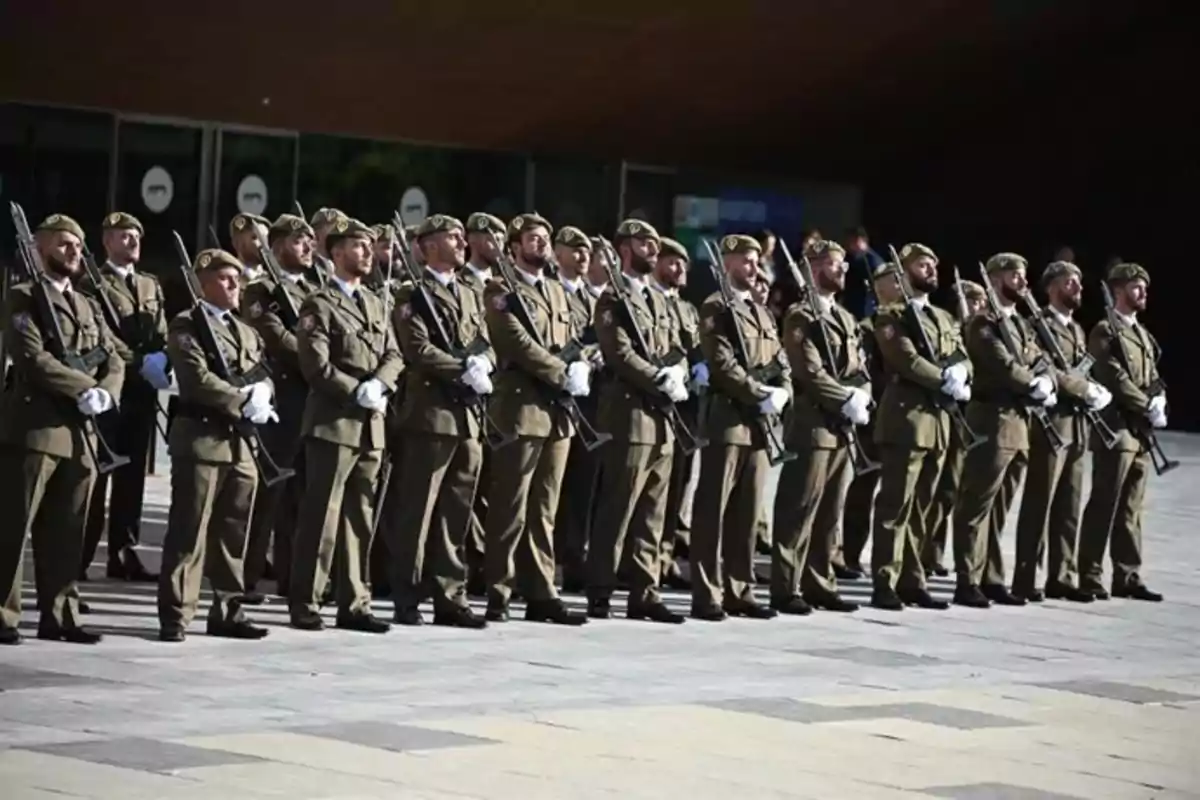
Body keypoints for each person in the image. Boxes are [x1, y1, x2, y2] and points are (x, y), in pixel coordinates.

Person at [0, 213, 125, 645]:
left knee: (68, 529)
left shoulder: (88, 302)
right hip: (35, 429)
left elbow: (113, 356)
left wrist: (106, 392)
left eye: (76, 245)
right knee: (14, 527)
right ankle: (4, 614)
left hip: (81, 435)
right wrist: (83, 387)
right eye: (62, 243)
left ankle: (61, 614)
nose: (72, 251)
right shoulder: (22, 297)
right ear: (39, 247)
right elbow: (32, 358)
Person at [290, 217, 401, 633]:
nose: (368, 253)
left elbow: (394, 353)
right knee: (322, 515)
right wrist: (356, 389)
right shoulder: (318, 304)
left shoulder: (376, 302)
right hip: (334, 422)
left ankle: (354, 601)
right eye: (358, 246)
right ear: (335, 253)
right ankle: (307, 600)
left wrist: (380, 384)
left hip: (371, 424)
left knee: (360, 516)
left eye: (370, 246)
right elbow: (315, 366)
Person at [157, 247, 274, 642]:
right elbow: (195, 378)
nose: (234, 286)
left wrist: (263, 395)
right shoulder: (186, 324)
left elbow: (262, 372)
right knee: (189, 530)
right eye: (225, 279)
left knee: (232, 533)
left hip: (241, 445)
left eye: (236, 279)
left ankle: (228, 609)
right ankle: (177, 613)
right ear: (202, 283)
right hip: (202, 440)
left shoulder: (246, 330)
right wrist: (243, 400)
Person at [483, 213, 589, 624]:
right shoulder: (500, 290)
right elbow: (516, 342)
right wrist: (562, 373)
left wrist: (581, 365)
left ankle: (541, 590)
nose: (541, 243)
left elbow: (576, 340)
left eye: (545, 237)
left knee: (545, 508)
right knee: (511, 506)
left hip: (557, 415)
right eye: (532, 238)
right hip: (521, 411)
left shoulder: (559, 293)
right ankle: (499, 589)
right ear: (513, 247)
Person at [389, 214, 491, 629]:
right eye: (451, 237)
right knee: (418, 510)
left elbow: (486, 337)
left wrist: (484, 361)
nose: (461, 242)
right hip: (430, 414)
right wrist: (459, 368)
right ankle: (407, 595)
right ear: (427, 246)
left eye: (461, 237)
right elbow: (414, 347)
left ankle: (450, 596)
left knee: (456, 512)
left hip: (468, 417)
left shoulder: (470, 290)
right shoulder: (411, 294)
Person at [586, 219, 686, 624]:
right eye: (646, 243)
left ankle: (645, 591)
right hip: (629, 417)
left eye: (655, 243)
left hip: (662, 418)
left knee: (653, 511)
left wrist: (676, 371)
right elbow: (619, 353)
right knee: (619, 507)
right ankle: (601, 588)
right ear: (625, 248)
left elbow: (676, 345)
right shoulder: (611, 299)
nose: (653, 250)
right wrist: (657, 376)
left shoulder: (660, 302)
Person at [691, 234, 791, 621]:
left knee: (748, 511)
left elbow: (780, 358)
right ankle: (707, 592)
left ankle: (739, 588)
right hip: (728, 420)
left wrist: (781, 391)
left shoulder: (763, 312)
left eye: (755, 261)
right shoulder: (717, 306)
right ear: (728, 265)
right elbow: (721, 362)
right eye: (745, 262)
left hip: (759, 424)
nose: (753, 268)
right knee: (713, 509)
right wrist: (756, 392)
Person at [951, 253, 1059, 608]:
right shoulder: (983, 323)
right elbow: (1002, 364)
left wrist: (1043, 377)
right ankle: (967, 579)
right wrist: (1033, 382)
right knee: (977, 504)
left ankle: (991, 576)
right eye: (1016, 276)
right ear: (997, 279)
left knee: (1000, 507)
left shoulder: (1020, 324)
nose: (1023, 282)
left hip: (1019, 422)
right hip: (993, 419)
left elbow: (1039, 357)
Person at [771, 239, 868, 614]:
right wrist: (844, 398)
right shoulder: (800, 316)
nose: (842, 269)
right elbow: (808, 371)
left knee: (830, 511)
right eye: (832, 264)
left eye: (843, 264)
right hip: (813, 424)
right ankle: (785, 585)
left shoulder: (844, 318)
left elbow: (858, 368)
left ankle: (819, 581)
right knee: (799, 508)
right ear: (813, 269)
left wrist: (861, 395)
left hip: (843, 427)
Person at [869, 243, 966, 611]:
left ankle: (913, 579)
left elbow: (961, 354)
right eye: (923, 265)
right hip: (906, 421)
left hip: (938, 423)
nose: (931, 270)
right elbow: (905, 359)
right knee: (896, 505)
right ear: (904, 271)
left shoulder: (941, 317)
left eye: (933, 265)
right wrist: (943, 378)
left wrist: (960, 372)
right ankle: (884, 581)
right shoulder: (890, 315)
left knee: (923, 507)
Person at [1012, 260, 1111, 603]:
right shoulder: (1035, 324)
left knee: (1069, 503)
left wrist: (1091, 389)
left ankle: (1062, 575)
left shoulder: (1077, 330)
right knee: (1041, 500)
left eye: (1078, 284)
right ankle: (1025, 576)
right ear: (1052, 287)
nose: (1077, 289)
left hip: (1079, 424)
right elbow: (1048, 369)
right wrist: (1083, 389)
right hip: (1051, 423)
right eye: (1070, 283)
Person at [80, 211, 168, 583]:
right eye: (123, 235)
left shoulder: (150, 284)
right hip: (110, 390)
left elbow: (160, 326)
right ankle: (80, 557)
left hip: (142, 391)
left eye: (135, 235)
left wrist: (161, 356)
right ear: (106, 242)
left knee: (132, 477)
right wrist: (138, 361)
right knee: (98, 476)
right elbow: (100, 335)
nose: (131, 241)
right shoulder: (89, 283)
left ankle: (124, 552)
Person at [239, 213, 318, 601]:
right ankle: (246, 574)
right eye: (299, 240)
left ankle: (291, 576)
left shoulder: (315, 289)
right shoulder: (260, 290)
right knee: (268, 492)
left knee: (302, 496)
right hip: (282, 398)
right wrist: (317, 358)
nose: (308, 246)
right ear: (278, 245)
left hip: (313, 399)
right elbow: (272, 336)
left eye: (309, 240)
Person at [1077, 263, 1165, 602]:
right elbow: (1113, 375)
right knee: (1105, 503)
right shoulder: (1104, 330)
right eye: (1135, 287)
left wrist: (1160, 398)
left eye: (1143, 287)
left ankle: (1127, 574)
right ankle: (1089, 574)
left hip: (1139, 432)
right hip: (1116, 428)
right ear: (1117, 291)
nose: (1142, 292)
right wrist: (1146, 404)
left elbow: (1153, 372)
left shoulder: (1142, 334)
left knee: (1131, 507)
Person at [839, 260, 905, 575]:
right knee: (864, 489)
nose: (902, 285)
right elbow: (866, 372)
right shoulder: (867, 328)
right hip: (877, 415)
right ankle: (849, 554)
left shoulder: (912, 323)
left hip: (909, 418)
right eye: (896, 281)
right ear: (880, 289)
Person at [920, 278, 987, 576]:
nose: (978, 307)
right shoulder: (950, 331)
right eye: (972, 301)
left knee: (951, 490)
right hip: (945, 413)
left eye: (980, 302)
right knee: (935, 488)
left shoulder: (983, 332)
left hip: (966, 417)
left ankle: (934, 552)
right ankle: (923, 552)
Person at [551, 225, 603, 592]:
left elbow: (604, 340)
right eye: (574, 250)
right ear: (558, 254)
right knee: (553, 490)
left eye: (586, 250)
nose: (582, 256)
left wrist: (594, 358)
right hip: (555, 398)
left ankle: (574, 560)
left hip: (590, 404)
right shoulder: (551, 292)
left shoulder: (594, 298)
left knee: (583, 490)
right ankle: (545, 563)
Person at [652, 236, 704, 590]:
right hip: (655, 403)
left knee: (677, 488)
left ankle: (665, 557)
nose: (680, 269)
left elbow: (695, 346)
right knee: (649, 491)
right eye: (672, 262)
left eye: (683, 264)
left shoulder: (688, 309)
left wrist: (698, 366)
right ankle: (639, 560)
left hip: (685, 409)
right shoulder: (646, 302)